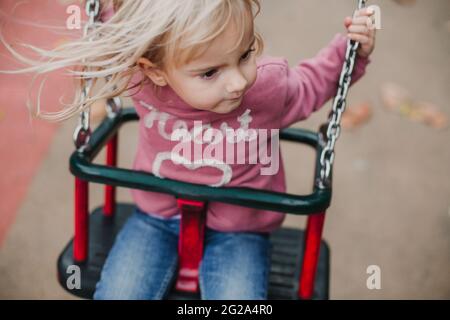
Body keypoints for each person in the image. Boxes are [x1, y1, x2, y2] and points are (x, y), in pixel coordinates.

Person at [0, 0, 375, 299]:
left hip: (241, 230)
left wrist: (351, 50)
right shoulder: (140, 81)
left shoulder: (266, 90)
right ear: (157, 71)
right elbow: (119, 25)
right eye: (210, 72)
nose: (236, 82)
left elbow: (312, 83)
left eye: (245, 54)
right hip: (155, 220)